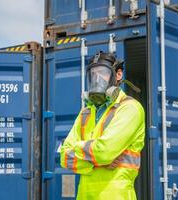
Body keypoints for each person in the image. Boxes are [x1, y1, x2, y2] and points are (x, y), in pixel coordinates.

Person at [60, 51, 145, 200]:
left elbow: (104, 152)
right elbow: (64, 157)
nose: (97, 78)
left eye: (102, 73)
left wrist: (79, 150)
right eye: (93, 74)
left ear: (118, 75)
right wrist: (98, 162)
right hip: (84, 195)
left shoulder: (130, 108)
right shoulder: (86, 112)